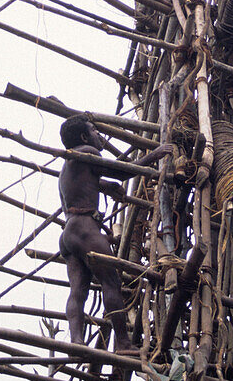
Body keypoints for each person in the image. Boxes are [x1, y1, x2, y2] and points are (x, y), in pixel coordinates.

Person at [58, 115, 172, 352]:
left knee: (78, 291)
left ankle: (76, 342)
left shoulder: (68, 165)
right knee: (111, 282)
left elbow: (87, 183)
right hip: (85, 228)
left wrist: (106, 185)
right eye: (94, 131)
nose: (100, 136)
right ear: (83, 137)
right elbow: (121, 172)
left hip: (68, 232)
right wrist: (156, 153)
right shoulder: (87, 150)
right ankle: (122, 342)